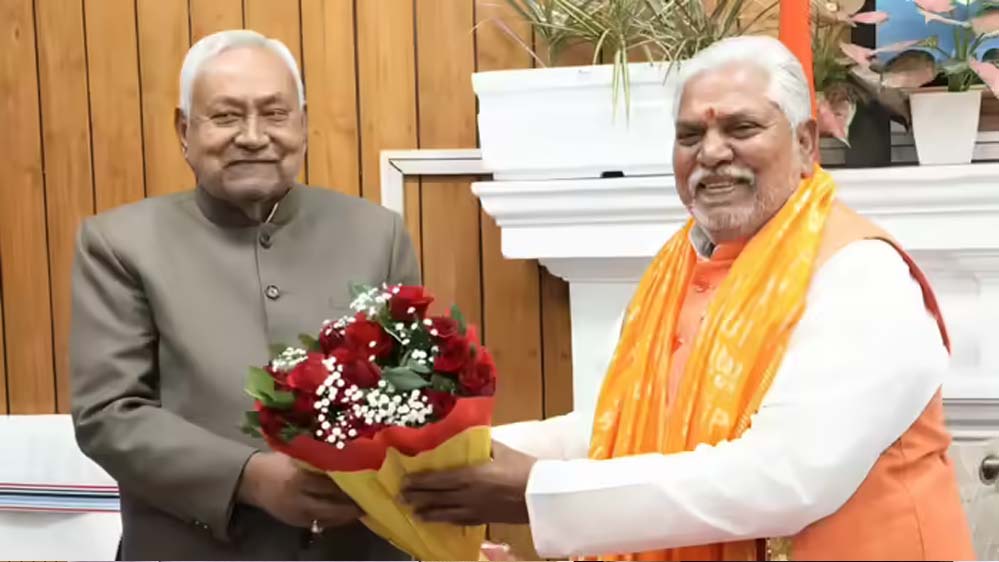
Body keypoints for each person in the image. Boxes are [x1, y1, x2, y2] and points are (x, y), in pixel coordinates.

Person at [402, 36, 976, 561]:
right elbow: (613, 427)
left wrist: (537, 493)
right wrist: (442, 455)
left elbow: (783, 477)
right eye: (690, 136)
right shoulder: (676, 271)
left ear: (805, 143)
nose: (713, 152)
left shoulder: (861, 273)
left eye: (742, 128)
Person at [70, 30, 419, 560]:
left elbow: (415, 391)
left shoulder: (378, 234)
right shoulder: (119, 244)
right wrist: (249, 478)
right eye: (226, 116)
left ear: (302, 123)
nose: (253, 137)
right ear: (185, 130)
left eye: (274, 114)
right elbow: (108, 414)